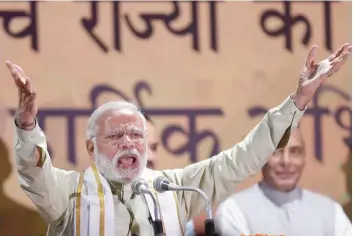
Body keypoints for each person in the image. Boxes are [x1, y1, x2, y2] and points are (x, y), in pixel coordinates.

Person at [7, 43, 351, 235]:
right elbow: (36, 176)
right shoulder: (70, 193)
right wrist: (26, 125)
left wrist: (298, 101)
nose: (129, 143)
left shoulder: (174, 190)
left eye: (137, 135)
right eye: (116, 135)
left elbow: (243, 158)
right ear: (91, 146)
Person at [215, 127, 352, 236]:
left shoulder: (330, 211)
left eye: (295, 152)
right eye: (276, 152)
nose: (286, 161)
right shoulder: (234, 210)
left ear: (304, 158)